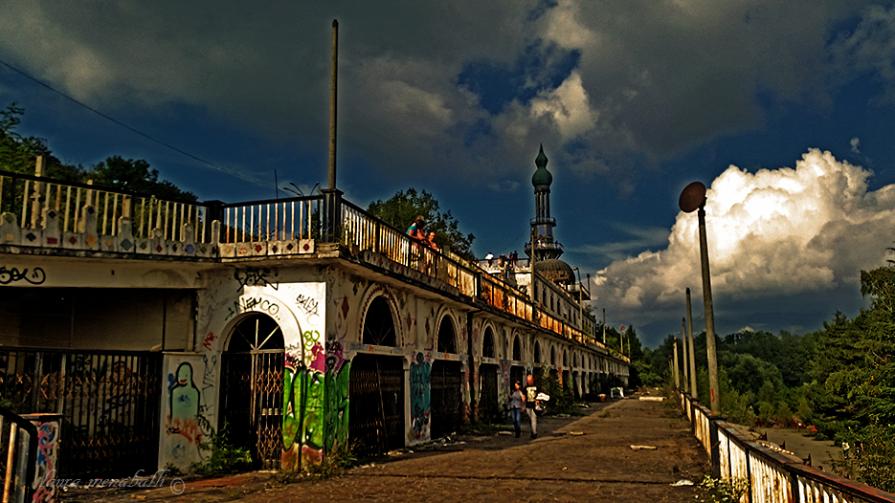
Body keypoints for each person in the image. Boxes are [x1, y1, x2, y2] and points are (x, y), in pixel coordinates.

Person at [524, 374, 539, 438]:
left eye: (530, 380)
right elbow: (524, 396)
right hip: (528, 405)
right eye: (528, 380)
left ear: (532, 379)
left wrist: (538, 400)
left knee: (533, 418)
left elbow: (540, 394)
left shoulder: (536, 387)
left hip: (534, 405)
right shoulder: (525, 387)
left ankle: (534, 433)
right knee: (530, 419)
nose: (529, 381)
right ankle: (532, 431)